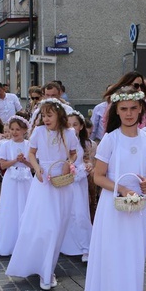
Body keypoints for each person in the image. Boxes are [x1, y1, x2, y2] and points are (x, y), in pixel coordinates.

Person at [82, 87, 146, 291]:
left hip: (137, 210)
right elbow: (98, 176)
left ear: (141, 110)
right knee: (113, 258)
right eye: (123, 109)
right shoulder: (111, 139)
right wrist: (123, 188)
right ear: (116, 110)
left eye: (133, 108)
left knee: (134, 259)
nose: (128, 113)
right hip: (113, 207)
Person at [5, 98, 79, 291]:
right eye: (43, 115)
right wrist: (37, 169)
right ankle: (41, 269)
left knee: (58, 227)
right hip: (43, 182)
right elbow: (31, 153)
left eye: (49, 115)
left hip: (62, 183)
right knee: (45, 226)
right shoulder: (38, 132)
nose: (46, 119)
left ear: (59, 115)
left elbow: (74, 153)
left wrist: (68, 163)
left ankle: (49, 269)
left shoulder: (68, 133)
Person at [0, 115, 32, 256]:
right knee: (10, 209)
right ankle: (8, 244)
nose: (14, 132)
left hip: (26, 179)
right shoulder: (5, 145)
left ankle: (24, 244)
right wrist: (15, 160)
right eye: (12, 129)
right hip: (11, 179)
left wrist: (25, 161)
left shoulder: (29, 145)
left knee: (25, 208)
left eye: (18, 129)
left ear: (24, 130)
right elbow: (2, 164)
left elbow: (33, 166)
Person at [60, 111, 94, 262]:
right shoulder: (63, 142)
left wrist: (87, 166)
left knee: (80, 213)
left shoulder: (85, 143)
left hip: (79, 182)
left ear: (81, 127)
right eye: (69, 125)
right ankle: (68, 245)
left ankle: (86, 246)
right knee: (68, 213)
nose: (72, 128)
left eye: (75, 124)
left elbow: (87, 160)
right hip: (66, 181)